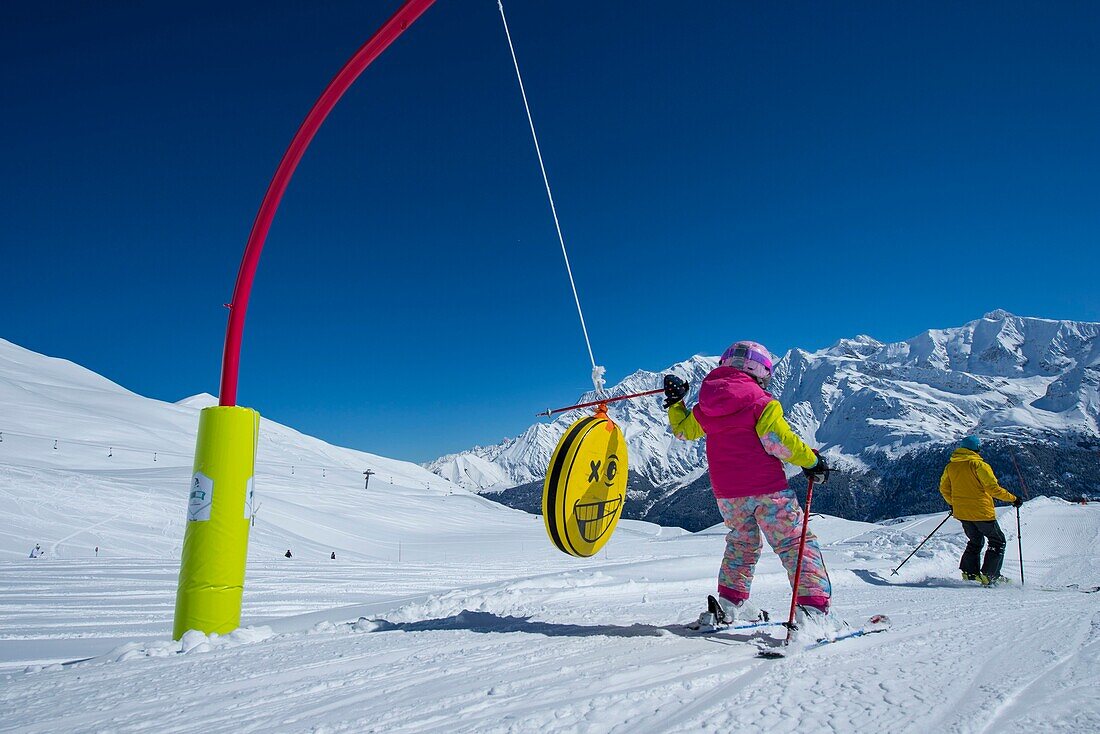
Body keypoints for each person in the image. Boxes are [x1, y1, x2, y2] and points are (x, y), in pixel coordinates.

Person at [664, 340, 833, 635]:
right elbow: (778, 442)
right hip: (769, 490)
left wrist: (677, 403)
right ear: (760, 372)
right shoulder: (760, 402)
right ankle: (814, 610)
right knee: (795, 543)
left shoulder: (707, 406)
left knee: (741, 544)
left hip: (728, 495)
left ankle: (730, 604)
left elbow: (682, 431)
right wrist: (812, 461)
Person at [939, 435, 1020, 585]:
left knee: (975, 541)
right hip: (982, 512)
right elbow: (993, 489)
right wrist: (1013, 498)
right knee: (997, 541)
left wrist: (953, 503)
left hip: (962, 513)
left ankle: (970, 573)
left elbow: (944, 489)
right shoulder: (979, 465)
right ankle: (990, 575)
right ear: (976, 449)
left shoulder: (951, 466)